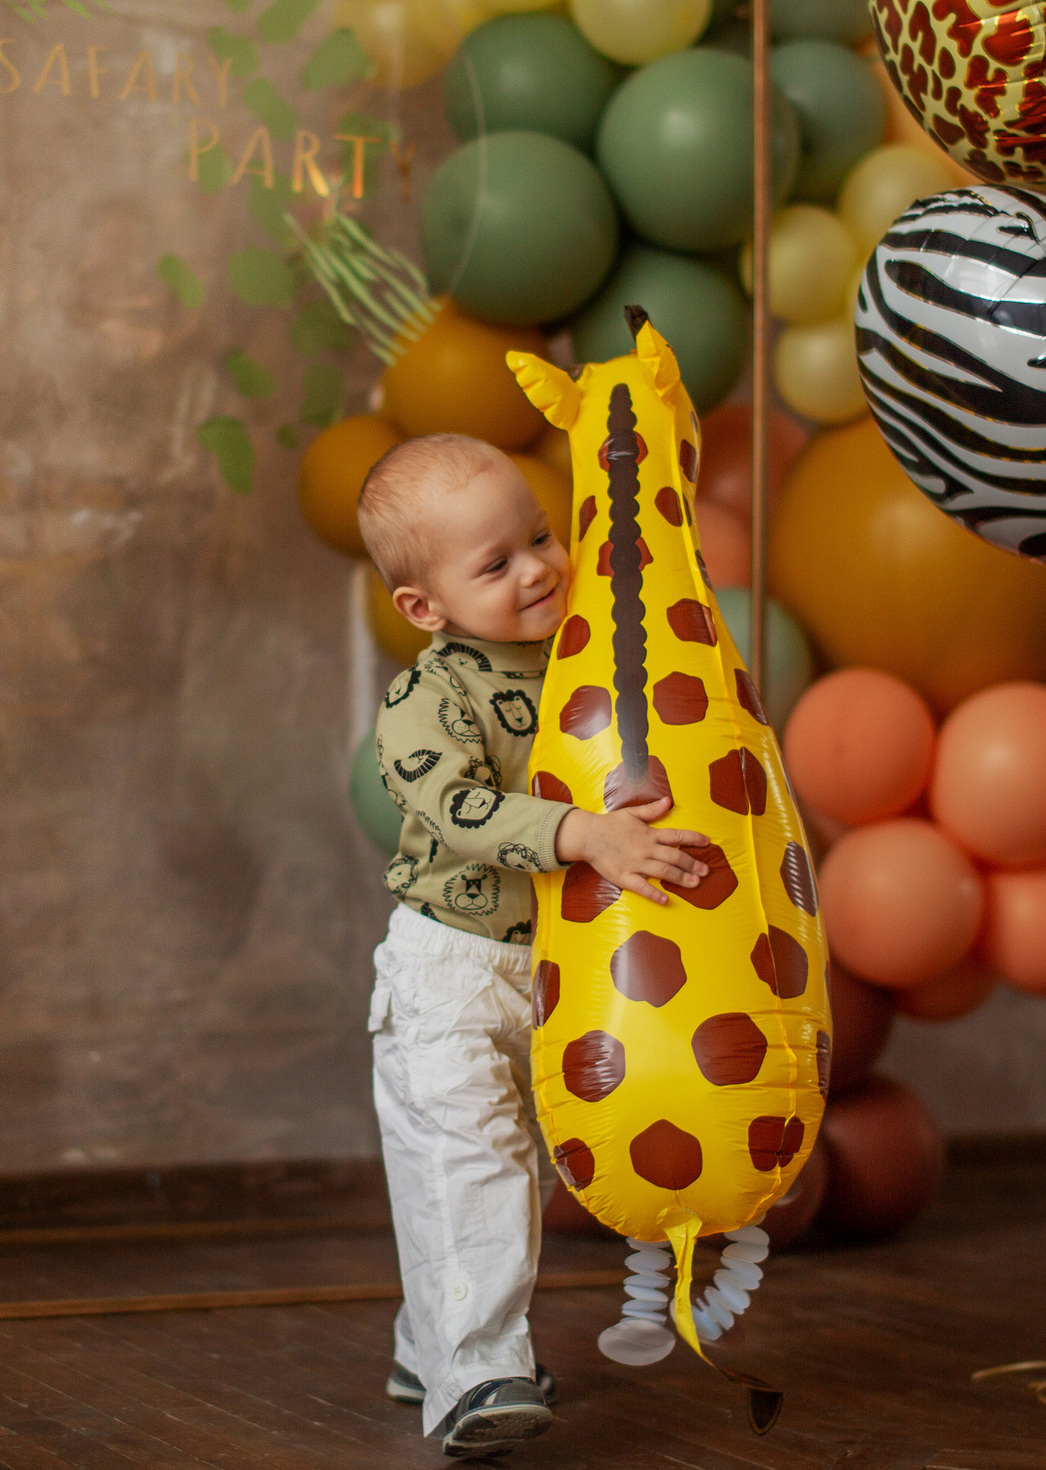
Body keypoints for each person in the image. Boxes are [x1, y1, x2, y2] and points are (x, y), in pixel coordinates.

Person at [358, 433, 711, 1458]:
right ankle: (476, 1378)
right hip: (451, 970)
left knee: (530, 1169)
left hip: (561, 965)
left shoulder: (588, 659)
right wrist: (583, 835)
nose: (539, 567)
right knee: (469, 1164)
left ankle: (430, 1338)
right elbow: (462, 807)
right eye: (495, 563)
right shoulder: (428, 698)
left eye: (541, 537)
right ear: (424, 608)